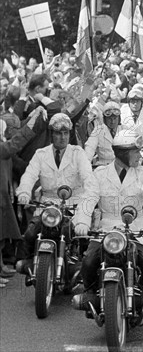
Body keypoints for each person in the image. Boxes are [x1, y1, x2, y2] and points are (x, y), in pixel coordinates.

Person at [73, 131, 143, 301]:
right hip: (106, 230)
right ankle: (90, 294)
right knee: (89, 261)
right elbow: (88, 199)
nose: (139, 155)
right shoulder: (100, 174)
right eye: (135, 151)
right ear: (123, 153)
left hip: (137, 229)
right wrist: (82, 221)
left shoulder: (142, 172)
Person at [15, 114, 94, 275]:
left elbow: (88, 176)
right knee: (31, 233)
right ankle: (29, 263)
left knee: (80, 235)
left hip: (74, 204)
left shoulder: (78, 153)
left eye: (65, 133)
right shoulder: (41, 154)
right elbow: (30, 175)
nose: (62, 137)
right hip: (47, 205)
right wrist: (24, 191)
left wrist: (91, 195)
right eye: (58, 133)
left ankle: (80, 266)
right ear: (52, 134)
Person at [0, 109, 45, 286]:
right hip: (1, 198)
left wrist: (33, 116)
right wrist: (33, 121)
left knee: (2, 235)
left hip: (4, 197)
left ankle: (1, 265)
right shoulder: (2, 148)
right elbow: (17, 142)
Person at [84, 101, 123, 167]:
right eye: (109, 118)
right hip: (104, 167)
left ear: (119, 118)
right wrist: (85, 164)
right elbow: (89, 148)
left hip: (122, 167)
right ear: (104, 119)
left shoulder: (125, 130)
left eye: (115, 118)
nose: (112, 121)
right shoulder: (98, 130)